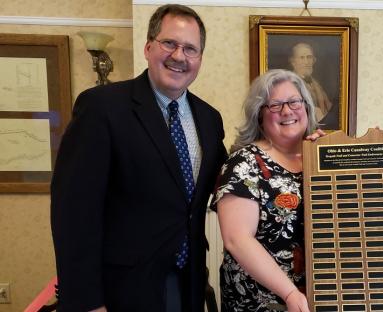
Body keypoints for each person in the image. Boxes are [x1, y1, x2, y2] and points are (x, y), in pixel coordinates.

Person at [50, 4, 227, 311]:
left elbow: (230, 177)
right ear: (148, 47)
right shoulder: (102, 108)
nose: (179, 56)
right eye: (169, 43)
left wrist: (299, 149)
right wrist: (86, 301)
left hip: (189, 283)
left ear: (199, 58)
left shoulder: (209, 119)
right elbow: (73, 212)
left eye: (190, 48)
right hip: (122, 289)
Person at [211, 69, 320, 312]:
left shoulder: (320, 156)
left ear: (307, 108)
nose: (287, 111)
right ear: (259, 115)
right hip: (261, 302)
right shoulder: (243, 163)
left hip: (317, 298)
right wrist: (290, 292)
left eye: (294, 102)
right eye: (275, 105)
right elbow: (237, 239)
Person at [289, 42, 333, 123]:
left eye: (309, 57)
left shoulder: (317, 84)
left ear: (314, 60)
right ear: (293, 62)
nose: (306, 62)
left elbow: (329, 108)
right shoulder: (290, 85)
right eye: (302, 58)